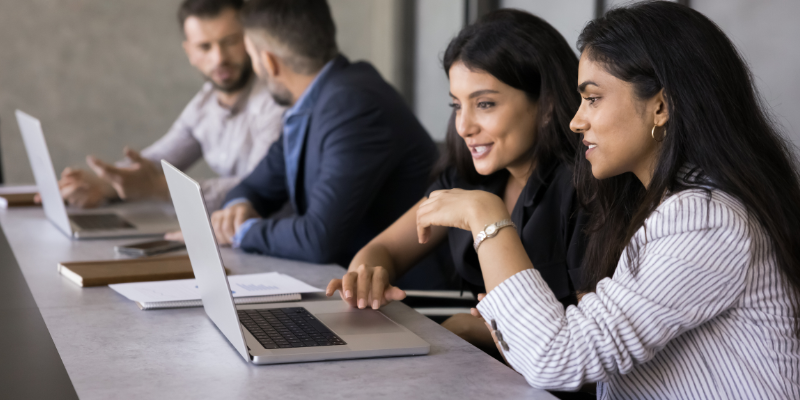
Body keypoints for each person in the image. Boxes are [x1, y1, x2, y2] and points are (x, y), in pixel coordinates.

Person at [417, 2, 800, 398]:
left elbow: (559, 359)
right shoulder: (659, 203)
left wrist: (487, 218)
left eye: (593, 98)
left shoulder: (705, 219)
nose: (576, 120)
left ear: (661, 106)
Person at [326, 9, 587, 357]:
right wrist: (365, 276)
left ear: (548, 104)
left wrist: (469, 327)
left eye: (485, 104)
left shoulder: (585, 188)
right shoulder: (468, 178)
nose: (464, 126)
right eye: (456, 105)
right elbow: (383, 250)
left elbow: (585, 339)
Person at [210, 0, 438, 266]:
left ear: (269, 62)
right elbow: (254, 186)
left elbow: (317, 239)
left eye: (251, 55)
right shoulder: (314, 102)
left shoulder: (354, 105)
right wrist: (238, 206)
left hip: (406, 297)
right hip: (348, 283)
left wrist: (242, 231)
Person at [55, 0, 285, 211]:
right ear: (190, 53)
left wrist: (158, 188)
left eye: (230, 42)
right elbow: (158, 160)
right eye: (205, 47)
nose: (219, 58)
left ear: (251, 40)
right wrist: (102, 181)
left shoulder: (278, 100)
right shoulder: (205, 104)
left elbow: (260, 188)